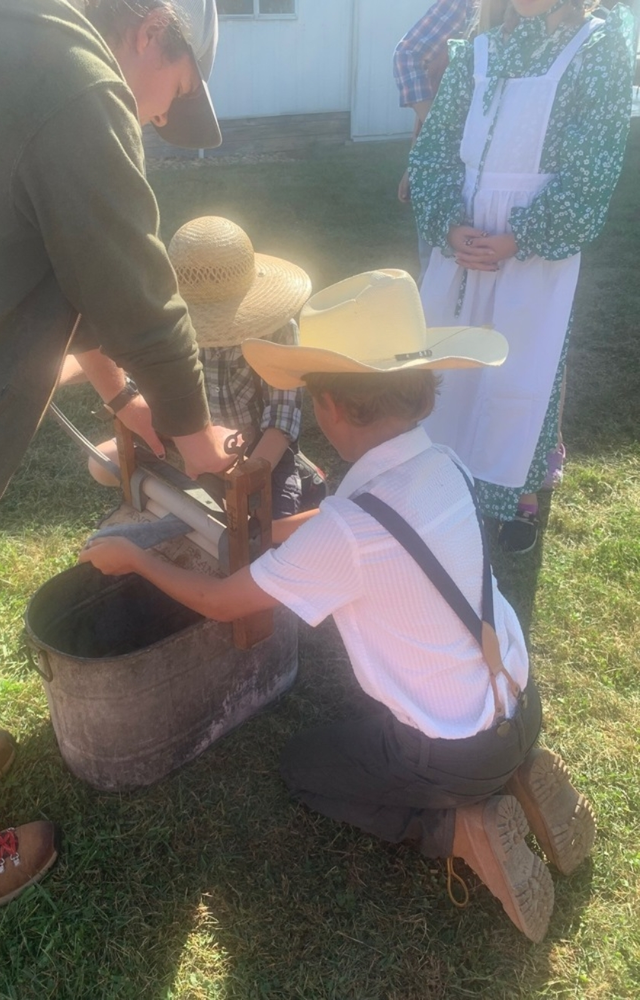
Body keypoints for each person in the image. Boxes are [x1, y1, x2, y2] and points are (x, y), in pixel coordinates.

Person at [80, 269, 596, 942]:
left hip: (449, 752)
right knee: (433, 726)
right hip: (518, 704)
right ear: (420, 387)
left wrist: (134, 557)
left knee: (305, 769)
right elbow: (349, 523)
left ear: (328, 407)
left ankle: (458, 826)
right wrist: (270, 533)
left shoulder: (348, 534)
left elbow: (221, 602)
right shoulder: (443, 465)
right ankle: (517, 768)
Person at [0, 0, 240, 935]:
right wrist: (200, 441)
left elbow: (50, 266)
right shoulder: (71, 75)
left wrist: (124, 404)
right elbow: (133, 288)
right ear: (153, 31)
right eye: (176, 93)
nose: (162, 117)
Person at [408, 0, 635, 552]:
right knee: (448, 363)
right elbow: (436, 148)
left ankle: (509, 493)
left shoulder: (597, 48)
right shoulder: (478, 48)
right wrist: (449, 223)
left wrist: (523, 235)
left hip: (532, 248)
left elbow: (593, 162)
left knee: (520, 371)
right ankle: (442, 481)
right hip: (464, 238)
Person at [84, 216, 327, 516]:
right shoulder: (166, 328)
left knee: (272, 524)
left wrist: (244, 474)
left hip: (252, 448)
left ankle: (299, 475)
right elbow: (142, 383)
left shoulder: (278, 329)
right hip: (185, 437)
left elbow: (281, 418)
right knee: (101, 463)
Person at [393, 0, 478, 280]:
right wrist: (430, 142)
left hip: (494, 167)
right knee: (437, 268)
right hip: (448, 164)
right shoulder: (465, 4)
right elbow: (407, 56)